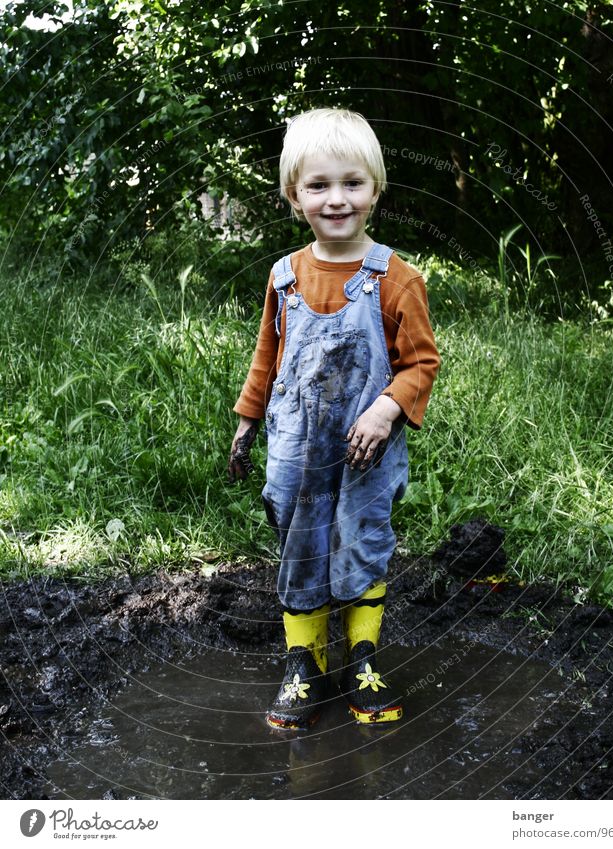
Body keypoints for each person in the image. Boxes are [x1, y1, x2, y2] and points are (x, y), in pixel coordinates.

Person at [228, 107, 441, 729]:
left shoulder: (397, 279)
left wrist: (388, 406)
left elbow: (421, 362)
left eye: (352, 183)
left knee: (361, 539)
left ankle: (363, 658)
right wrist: (247, 421)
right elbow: (268, 355)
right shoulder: (284, 276)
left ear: (375, 188)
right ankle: (304, 662)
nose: (337, 199)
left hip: (364, 451)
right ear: (295, 195)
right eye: (319, 186)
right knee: (300, 546)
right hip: (295, 445)